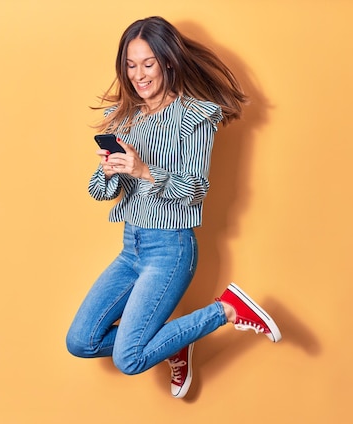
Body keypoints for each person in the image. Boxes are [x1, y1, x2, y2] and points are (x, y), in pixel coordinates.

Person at [66, 16, 281, 399]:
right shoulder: (126, 118)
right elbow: (99, 192)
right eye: (131, 65)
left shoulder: (193, 117)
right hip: (130, 249)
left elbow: (195, 190)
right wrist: (112, 170)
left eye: (147, 63)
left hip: (170, 250)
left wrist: (143, 169)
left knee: (128, 359)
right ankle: (172, 342)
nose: (138, 74)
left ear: (167, 61)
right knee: (80, 341)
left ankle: (226, 309)